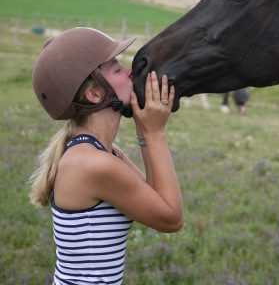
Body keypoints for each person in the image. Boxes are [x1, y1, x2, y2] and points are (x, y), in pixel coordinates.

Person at [29, 27, 183, 285]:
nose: (129, 71)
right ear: (95, 93)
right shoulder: (94, 164)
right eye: (116, 68)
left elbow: (155, 198)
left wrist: (145, 130)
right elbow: (171, 219)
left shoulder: (103, 154)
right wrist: (156, 133)